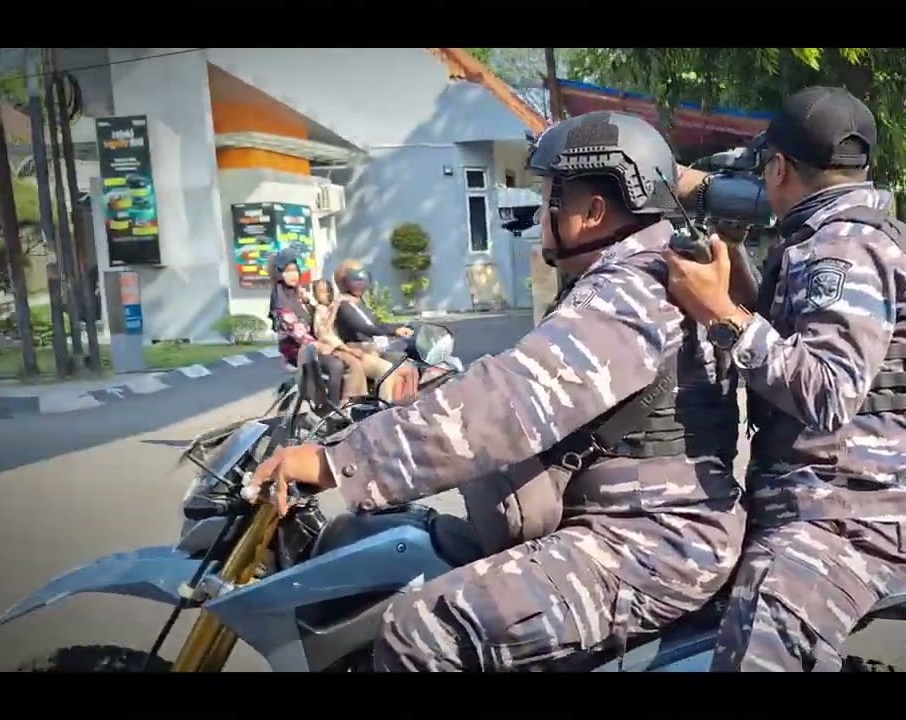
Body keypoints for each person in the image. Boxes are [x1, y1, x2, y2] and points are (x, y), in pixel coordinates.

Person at [246, 110, 745, 672]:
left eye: (549, 194)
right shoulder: (656, 266)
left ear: (591, 212)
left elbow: (507, 400)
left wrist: (338, 461)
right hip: (635, 521)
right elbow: (543, 375)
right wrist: (430, 388)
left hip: (651, 542)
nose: (538, 216)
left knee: (422, 628)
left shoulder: (628, 289)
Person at [666, 86, 906, 672]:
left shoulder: (842, 249)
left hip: (845, 516)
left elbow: (827, 390)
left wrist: (718, 313)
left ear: (781, 166)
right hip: (816, 502)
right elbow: (781, 337)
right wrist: (730, 258)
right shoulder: (827, 237)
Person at [267, 249, 349, 409]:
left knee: (351, 358)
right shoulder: (279, 298)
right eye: (287, 271)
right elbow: (296, 331)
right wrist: (319, 346)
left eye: (295, 271)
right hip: (298, 350)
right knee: (336, 365)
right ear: (279, 273)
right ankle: (331, 410)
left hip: (312, 345)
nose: (293, 275)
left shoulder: (299, 293)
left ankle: (348, 402)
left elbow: (317, 311)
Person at [331, 262, 420, 404]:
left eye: (363, 278)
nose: (361, 283)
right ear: (344, 282)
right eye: (356, 278)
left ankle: (409, 406)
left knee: (410, 367)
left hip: (372, 349)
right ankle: (383, 414)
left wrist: (400, 327)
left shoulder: (360, 302)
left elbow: (377, 323)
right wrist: (394, 331)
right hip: (357, 351)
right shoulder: (344, 305)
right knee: (387, 371)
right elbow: (366, 327)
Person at [308, 278, 370, 403]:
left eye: (327, 291)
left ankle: (360, 397)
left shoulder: (328, 307)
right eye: (321, 291)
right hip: (331, 349)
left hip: (338, 345)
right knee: (355, 364)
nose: (325, 294)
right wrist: (349, 350)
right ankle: (346, 400)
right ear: (315, 294)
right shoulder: (320, 310)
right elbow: (325, 333)